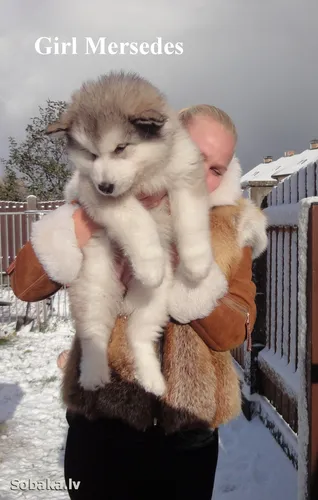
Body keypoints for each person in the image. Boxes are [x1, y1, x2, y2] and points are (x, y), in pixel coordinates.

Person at [8, 105, 267, 500]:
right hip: (101, 427)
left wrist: (186, 277)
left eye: (217, 169)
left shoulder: (233, 226)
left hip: (187, 435)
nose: (204, 177)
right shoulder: (109, 195)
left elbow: (236, 328)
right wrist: (82, 223)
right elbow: (26, 286)